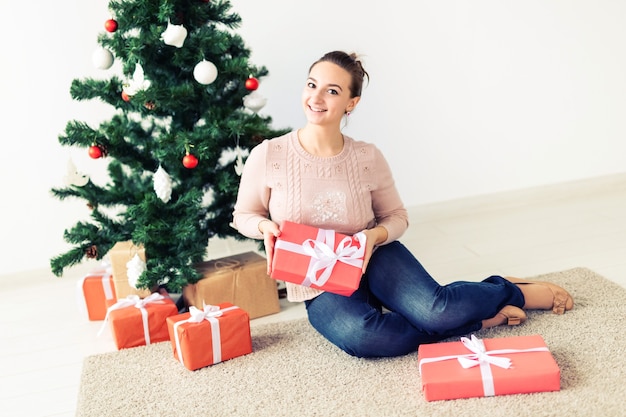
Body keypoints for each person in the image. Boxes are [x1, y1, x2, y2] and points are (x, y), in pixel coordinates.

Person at [232, 50, 574, 358]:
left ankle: (509, 290)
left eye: (332, 91)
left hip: (377, 257)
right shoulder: (269, 155)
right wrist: (265, 226)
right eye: (312, 85)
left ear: (351, 102)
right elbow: (244, 215)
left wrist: (373, 237)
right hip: (319, 280)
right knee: (364, 338)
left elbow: (396, 217)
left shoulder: (366, 156)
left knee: (436, 310)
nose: (316, 97)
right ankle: (481, 320)